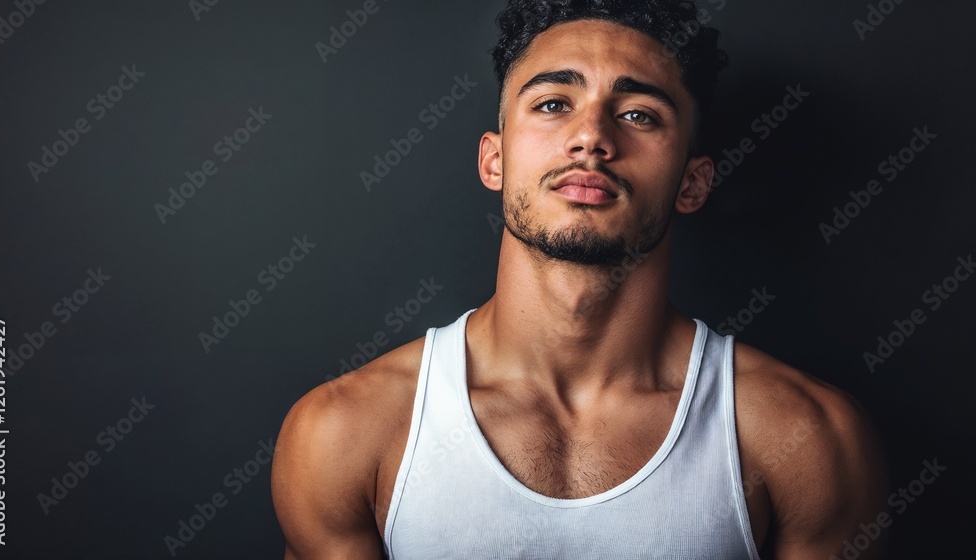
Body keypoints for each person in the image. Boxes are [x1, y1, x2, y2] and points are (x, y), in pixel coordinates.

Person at [272, 1, 887, 558]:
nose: (591, 136)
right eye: (551, 104)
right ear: (495, 158)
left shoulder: (806, 440)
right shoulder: (344, 434)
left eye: (639, 114)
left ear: (692, 183)